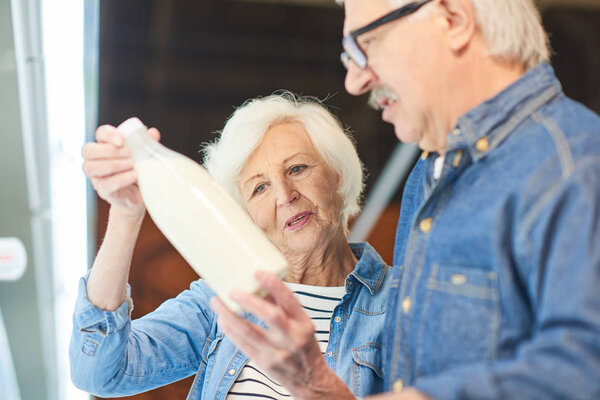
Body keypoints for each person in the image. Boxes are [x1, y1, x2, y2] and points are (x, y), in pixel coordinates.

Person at [212, 0, 600, 399]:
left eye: (366, 45)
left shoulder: (577, 163)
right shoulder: (428, 175)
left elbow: (584, 370)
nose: (354, 81)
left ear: (454, 20)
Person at [69, 92, 392, 399]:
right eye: (260, 188)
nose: (284, 195)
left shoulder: (403, 299)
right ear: (244, 216)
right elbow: (99, 371)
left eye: (298, 168)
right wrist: (126, 215)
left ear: (337, 175)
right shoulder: (225, 298)